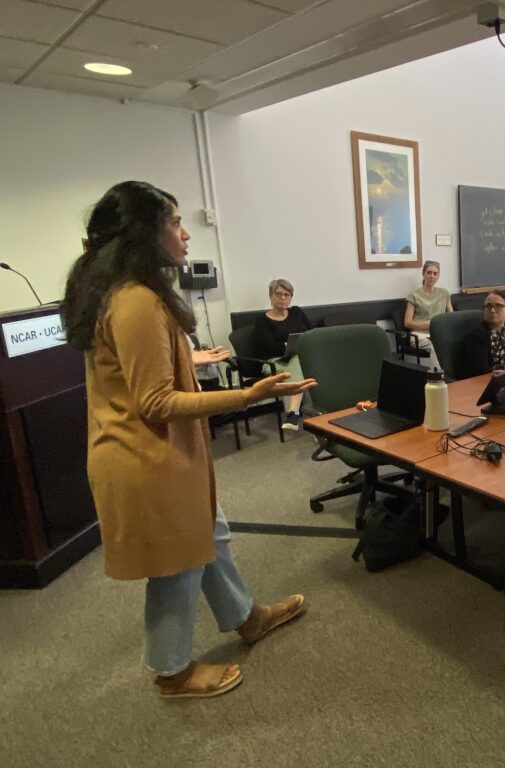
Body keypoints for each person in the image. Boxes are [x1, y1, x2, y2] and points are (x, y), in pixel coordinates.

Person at [61, 181, 315, 698]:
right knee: (178, 566)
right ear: (144, 234)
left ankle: (247, 617)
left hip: (161, 456)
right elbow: (155, 403)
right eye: (175, 222)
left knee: (211, 539)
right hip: (146, 459)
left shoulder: (126, 293)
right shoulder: (135, 301)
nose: (185, 235)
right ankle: (171, 671)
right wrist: (247, 396)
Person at [253, 278, 312, 429]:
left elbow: (312, 333)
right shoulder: (262, 320)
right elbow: (266, 347)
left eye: (287, 294)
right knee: (299, 366)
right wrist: (286, 345)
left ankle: (294, 414)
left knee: (300, 363)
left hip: (301, 356)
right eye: (278, 294)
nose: (283, 298)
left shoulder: (297, 312)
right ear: (270, 296)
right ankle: (299, 413)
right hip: (274, 361)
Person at [404, 260, 453, 370]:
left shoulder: (444, 293)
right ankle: (438, 379)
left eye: (435, 274)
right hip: (420, 334)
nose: (432, 276)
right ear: (423, 274)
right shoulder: (414, 295)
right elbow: (407, 323)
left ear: (438, 276)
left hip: (439, 332)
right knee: (436, 346)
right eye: (429, 272)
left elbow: (451, 316)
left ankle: (455, 376)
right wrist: (429, 325)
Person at [462, 291, 505, 377]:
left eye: (498, 306)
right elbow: (481, 371)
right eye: (488, 306)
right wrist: (504, 375)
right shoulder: (475, 335)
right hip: (488, 382)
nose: (492, 310)